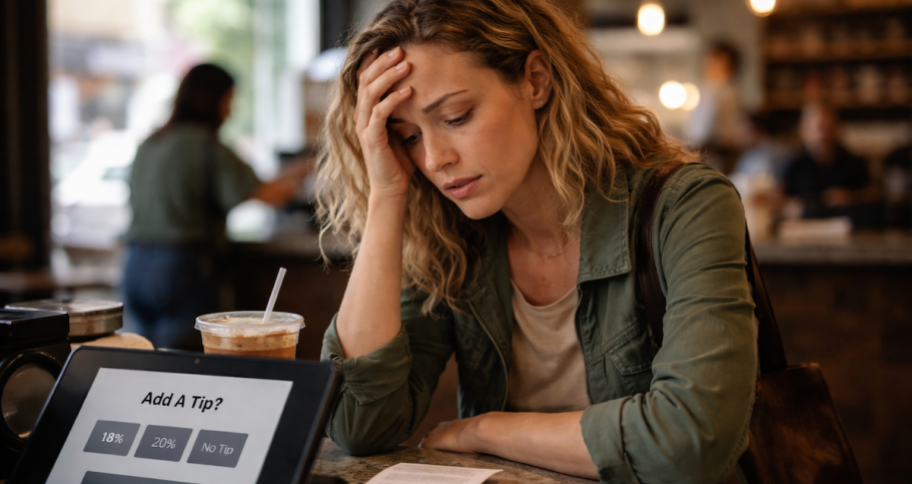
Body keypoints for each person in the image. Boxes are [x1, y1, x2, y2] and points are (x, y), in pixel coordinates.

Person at [316, 1, 756, 483]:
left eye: (456, 117)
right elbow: (358, 425)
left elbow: (691, 443)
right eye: (409, 137)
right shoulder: (449, 236)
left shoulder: (686, 205)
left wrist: (484, 430)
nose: (435, 159)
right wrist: (386, 195)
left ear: (536, 80)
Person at [124, 63, 308, 350]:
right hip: (181, 268)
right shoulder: (207, 146)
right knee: (187, 364)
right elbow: (265, 193)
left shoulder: (151, 142)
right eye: (229, 100)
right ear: (212, 100)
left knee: (144, 359)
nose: (230, 111)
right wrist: (310, 167)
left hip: (134, 263)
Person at [781, 104, 873, 224]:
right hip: (806, 228)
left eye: (829, 128)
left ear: (838, 129)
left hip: (848, 228)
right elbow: (780, 200)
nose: (823, 135)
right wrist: (789, 207)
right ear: (804, 131)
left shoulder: (855, 164)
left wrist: (851, 197)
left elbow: (874, 196)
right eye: (819, 128)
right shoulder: (794, 165)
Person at [687, 40, 746, 173]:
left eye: (715, 60)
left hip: (715, 153)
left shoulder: (725, 93)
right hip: (712, 151)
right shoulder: (710, 89)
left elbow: (705, 130)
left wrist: (691, 147)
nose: (709, 63)